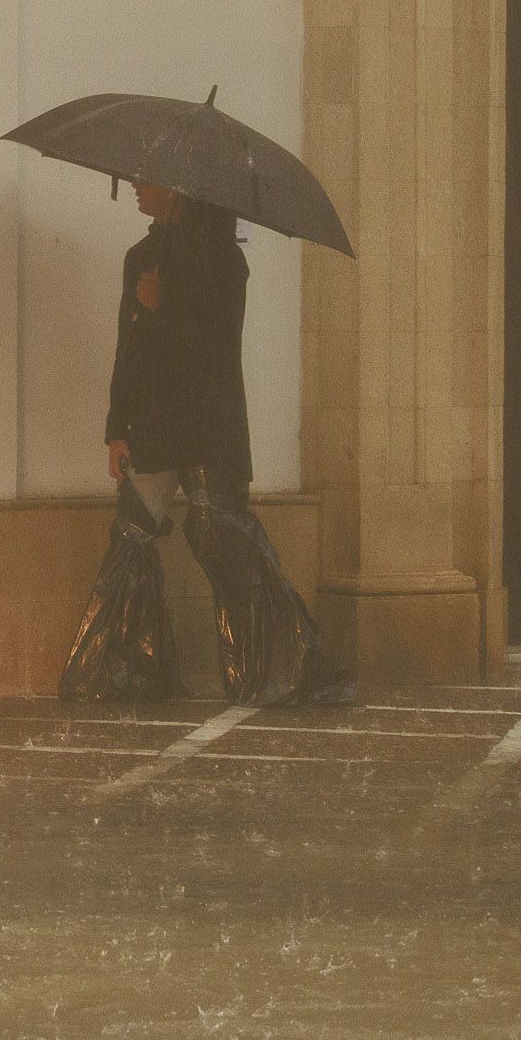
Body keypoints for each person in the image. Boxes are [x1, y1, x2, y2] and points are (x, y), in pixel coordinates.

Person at [61, 180, 354, 705]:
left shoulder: (222, 261)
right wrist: (116, 429)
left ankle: (286, 669)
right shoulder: (141, 257)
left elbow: (217, 350)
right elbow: (127, 348)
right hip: (152, 423)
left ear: (177, 189)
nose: (133, 184)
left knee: (217, 533)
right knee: (131, 536)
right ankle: (124, 673)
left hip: (207, 424)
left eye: (145, 177)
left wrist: (163, 305)